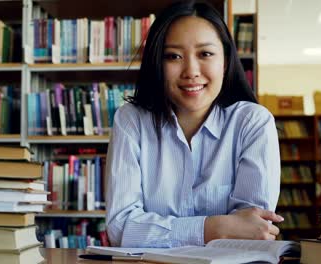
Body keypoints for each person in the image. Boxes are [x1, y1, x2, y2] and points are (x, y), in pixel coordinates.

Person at [105, 0, 283, 248]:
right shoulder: (131, 120)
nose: (191, 71)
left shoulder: (252, 123)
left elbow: (252, 232)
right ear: (158, 62)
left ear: (226, 60)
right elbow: (120, 228)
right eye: (173, 56)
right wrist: (214, 228)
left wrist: (154, 231)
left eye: (205, 54)